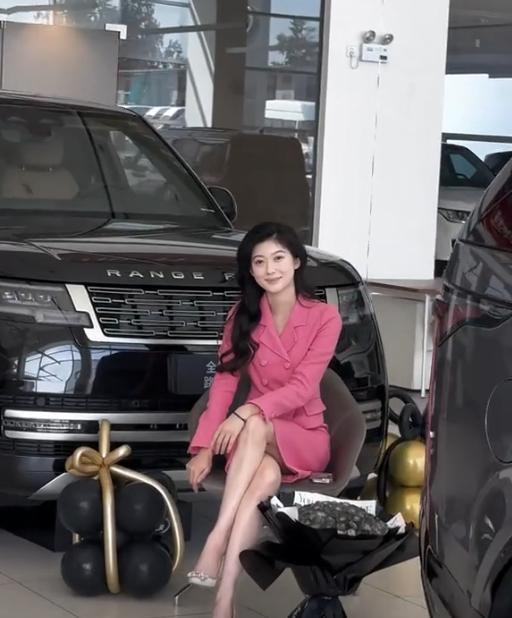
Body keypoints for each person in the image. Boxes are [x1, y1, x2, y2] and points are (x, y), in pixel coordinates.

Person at [186, 221, 342, 618]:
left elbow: (304, 388)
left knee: (255, 424)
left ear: (297, 262)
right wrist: (203, 448)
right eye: (259, 262)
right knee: (260, 486)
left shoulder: (325, 317)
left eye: (278, 258)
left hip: (304, 436)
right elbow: (224, 383)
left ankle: (217, 538)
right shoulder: (242, 316)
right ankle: (224, 600)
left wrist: (245, 412)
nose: (270, 269)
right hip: (256, 446)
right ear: (251, 270)